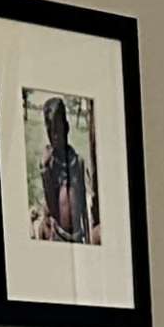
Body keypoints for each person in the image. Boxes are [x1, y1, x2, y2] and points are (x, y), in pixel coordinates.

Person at [32, 96, 98, 246]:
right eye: (50, 131)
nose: (54, 136)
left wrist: (87, 239)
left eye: (57, 130)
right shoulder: (50, 165)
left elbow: (83, 206)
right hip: (58, 235)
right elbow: (52, 207)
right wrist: (45, 171)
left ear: (67, 128)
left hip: (78, 236)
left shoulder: (77, 162)